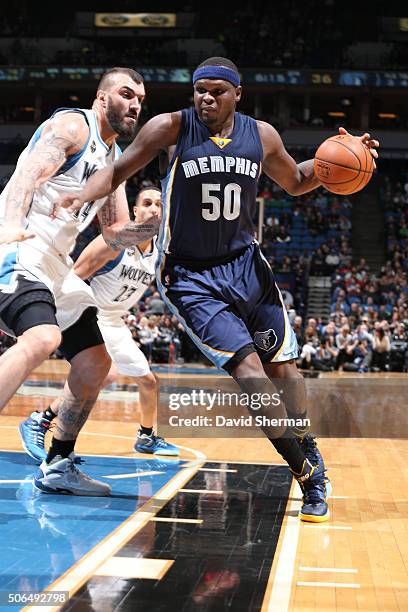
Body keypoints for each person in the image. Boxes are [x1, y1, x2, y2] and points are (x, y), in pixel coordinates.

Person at [54, 57, 379, 521]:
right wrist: (80, 195)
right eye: (200, 90)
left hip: (247, 267)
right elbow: (118, 171)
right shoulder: (170, 127)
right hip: (190, 277)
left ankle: (303, 441)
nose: (206, 98)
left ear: (237, 94)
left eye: (216, 91)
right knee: (250, 375)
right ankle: (309, 475)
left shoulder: (261, 135)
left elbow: (298, 180)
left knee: (284, 373)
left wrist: (345, 159)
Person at [0, 67, 160, 495]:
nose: (135, 104)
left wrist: (158, 227)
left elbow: (115, 234)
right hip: (22, 245)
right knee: (42, 338)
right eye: (126, 94)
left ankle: (58, 463)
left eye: (140, 99)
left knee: (95, 361)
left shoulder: (113, 161)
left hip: (56, 262)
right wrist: (10, 226)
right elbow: (25, 178)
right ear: (102, 98)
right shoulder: (73, 125)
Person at [19, 186, 179, 460]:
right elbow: (72, 278)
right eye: (147, 203)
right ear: (135, 210)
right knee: (106, 374)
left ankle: (146, 436)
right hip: (91, 313)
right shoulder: (115, 244)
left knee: (149, 382)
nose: (154, 208)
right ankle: (41, 420)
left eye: (159, 204)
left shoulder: (159, 251)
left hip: (115, 321)